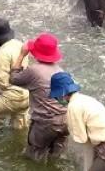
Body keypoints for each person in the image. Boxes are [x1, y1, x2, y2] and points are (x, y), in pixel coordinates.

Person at [50, 72, 105, 171]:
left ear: (62, 94)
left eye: (56, 96)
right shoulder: (86, 99)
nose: (56, 99)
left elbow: (83, 140)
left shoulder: (73, 106)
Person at [11, 33, 68, 162]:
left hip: (46, 123)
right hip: (66, 120)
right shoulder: (60, 70)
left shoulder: (34, 70)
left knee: (34, 156)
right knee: (57, 157)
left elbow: (13, 79)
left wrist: (21, 55)